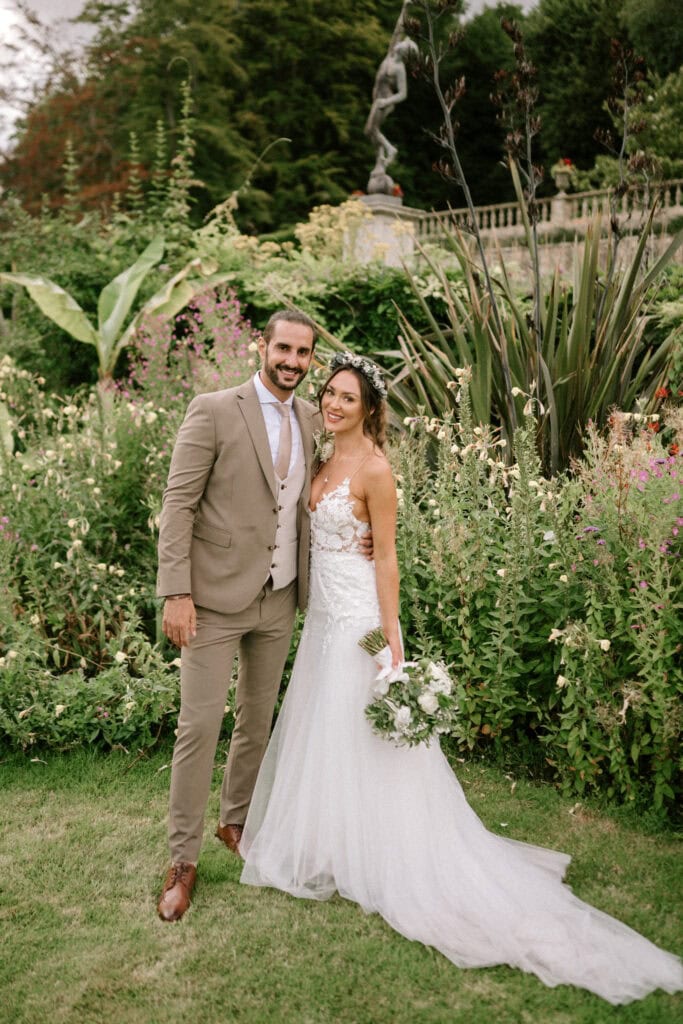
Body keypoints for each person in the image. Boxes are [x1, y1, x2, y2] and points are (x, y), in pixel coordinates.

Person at [239, 353, 683, 1005]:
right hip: (321, 619)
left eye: (346, 398)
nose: (332, 404)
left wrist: (391, 645)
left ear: (369, 409)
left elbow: (385, 556)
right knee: (324, 730)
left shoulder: (374, 469)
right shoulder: (319, 457)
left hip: (358, 622)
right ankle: (334, 843)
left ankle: (387, 853)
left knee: (366, 735)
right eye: (327, 393)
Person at [155, 309, 323, 922]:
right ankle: (182, 860)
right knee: (198, 729)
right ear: (262, 347)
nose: (292, 363)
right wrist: (176, 591)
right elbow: (178, 503)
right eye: (283, 349)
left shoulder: (311, 418)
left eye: (303, 354)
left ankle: (236, 821)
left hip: (279, 596)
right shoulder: (213, 409)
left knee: (258, 720)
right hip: (213, 599)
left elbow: (312, 501)